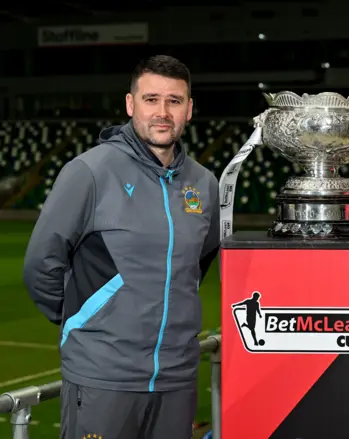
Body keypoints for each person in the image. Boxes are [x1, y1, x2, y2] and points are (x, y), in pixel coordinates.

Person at [23, 55, 220, 439]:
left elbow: (199, 262)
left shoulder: (205, 183)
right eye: (151, 99)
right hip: (103, 378)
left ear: (189, 110)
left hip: (176, 379)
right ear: (131, 105)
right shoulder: (90, 172)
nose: (162, 112)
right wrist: (86, 319)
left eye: (174, 101)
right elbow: (41, 266)